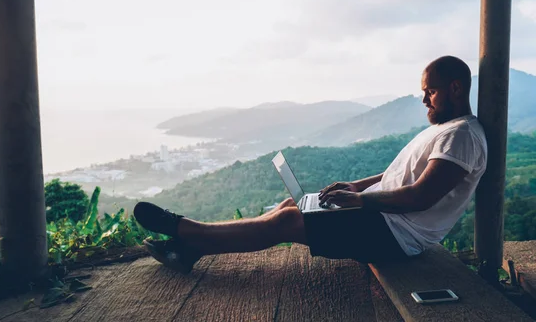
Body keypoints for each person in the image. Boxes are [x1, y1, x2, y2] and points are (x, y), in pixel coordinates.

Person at [133, 55, 488, 273]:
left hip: (397, 237)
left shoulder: (462, 137)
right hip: (382, 218)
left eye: (431, 91)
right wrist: (358, 187)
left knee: (289, 219)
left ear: (456, 88)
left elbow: (420, 197)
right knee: (294, 206)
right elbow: (398, 175)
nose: (424, 98)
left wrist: (362, 201)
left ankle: (185, 231)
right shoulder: (447, 130)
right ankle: (189, 250)